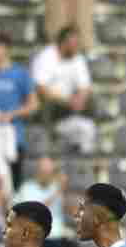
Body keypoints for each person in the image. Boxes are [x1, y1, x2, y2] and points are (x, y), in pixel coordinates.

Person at [32, 26, 96, 155]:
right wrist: (67, 101)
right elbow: (40, 88)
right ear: (63, 43)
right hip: (51, 107)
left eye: (78, 43)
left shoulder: (77, 58)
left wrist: (80, 99)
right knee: (47, 103)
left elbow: (85, 86)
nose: (77, 46)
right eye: (74, 43)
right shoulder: (46, 57)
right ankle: (50, 143)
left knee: (90, 110)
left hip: (71, 107)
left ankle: (85, 156)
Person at [0, 34, 38, 167]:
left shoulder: (21, 73)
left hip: (14, 137)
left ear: (5, 48)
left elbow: (33, 105)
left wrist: (11, 114)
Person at [15, 158, 72, 247]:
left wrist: (65, 191)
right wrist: (58, 191)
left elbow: (68, 209)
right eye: (44, 172)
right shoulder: (27, 188)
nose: (46, 175)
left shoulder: (56, 187)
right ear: (37, 172)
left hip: (56, 237)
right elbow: (37, 211)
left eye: (49, 172)